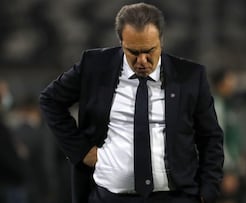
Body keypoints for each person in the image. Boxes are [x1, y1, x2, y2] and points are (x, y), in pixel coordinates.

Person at [39, 3, 224, 203]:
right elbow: (50, 100)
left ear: (161, 40)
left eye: (149, 51)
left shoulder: (190, 76)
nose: (142, 60)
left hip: (175, 197)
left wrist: (208, 190)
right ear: (121, 42)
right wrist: (81, 150)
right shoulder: (95, 66)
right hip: (109, 197)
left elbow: (211, 137)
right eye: (133, 52)